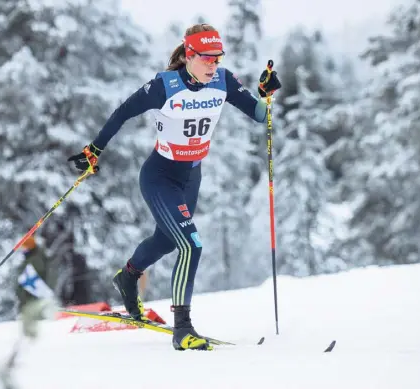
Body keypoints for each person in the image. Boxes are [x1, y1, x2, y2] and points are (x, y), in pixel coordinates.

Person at [68, 23, 281, 351]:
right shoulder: (164, 85)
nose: (214, 65)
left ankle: (128, 276)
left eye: (217, 58)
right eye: (207, 59)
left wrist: (267, 95)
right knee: (191, 245)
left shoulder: (223, 80)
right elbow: (122, 112)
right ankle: (183, 329)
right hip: (159, 176)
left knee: (167, 241)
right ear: (188, 56)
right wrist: (94, 149)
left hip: (190, 178)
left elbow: (258, 114)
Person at [16, 236, 57, 312]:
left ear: (29, 247)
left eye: (24, 247)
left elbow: (38, 279)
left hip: (35, 301)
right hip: (30, 301)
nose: (23, 250)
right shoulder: (29, 259)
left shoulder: (35, 260)